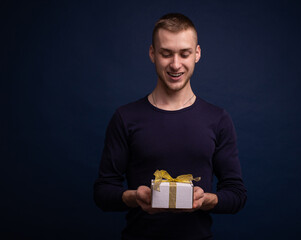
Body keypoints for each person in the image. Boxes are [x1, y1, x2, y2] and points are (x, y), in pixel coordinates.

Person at [94, 13, 247, 239]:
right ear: (152, 54)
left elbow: (237, 195)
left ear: (197, 54)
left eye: (184, 54)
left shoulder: (218, 119)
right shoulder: (125, 117)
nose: (176, 64)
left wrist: (206, 200)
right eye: (166, 54)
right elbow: (103, 193)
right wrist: (134, 197)